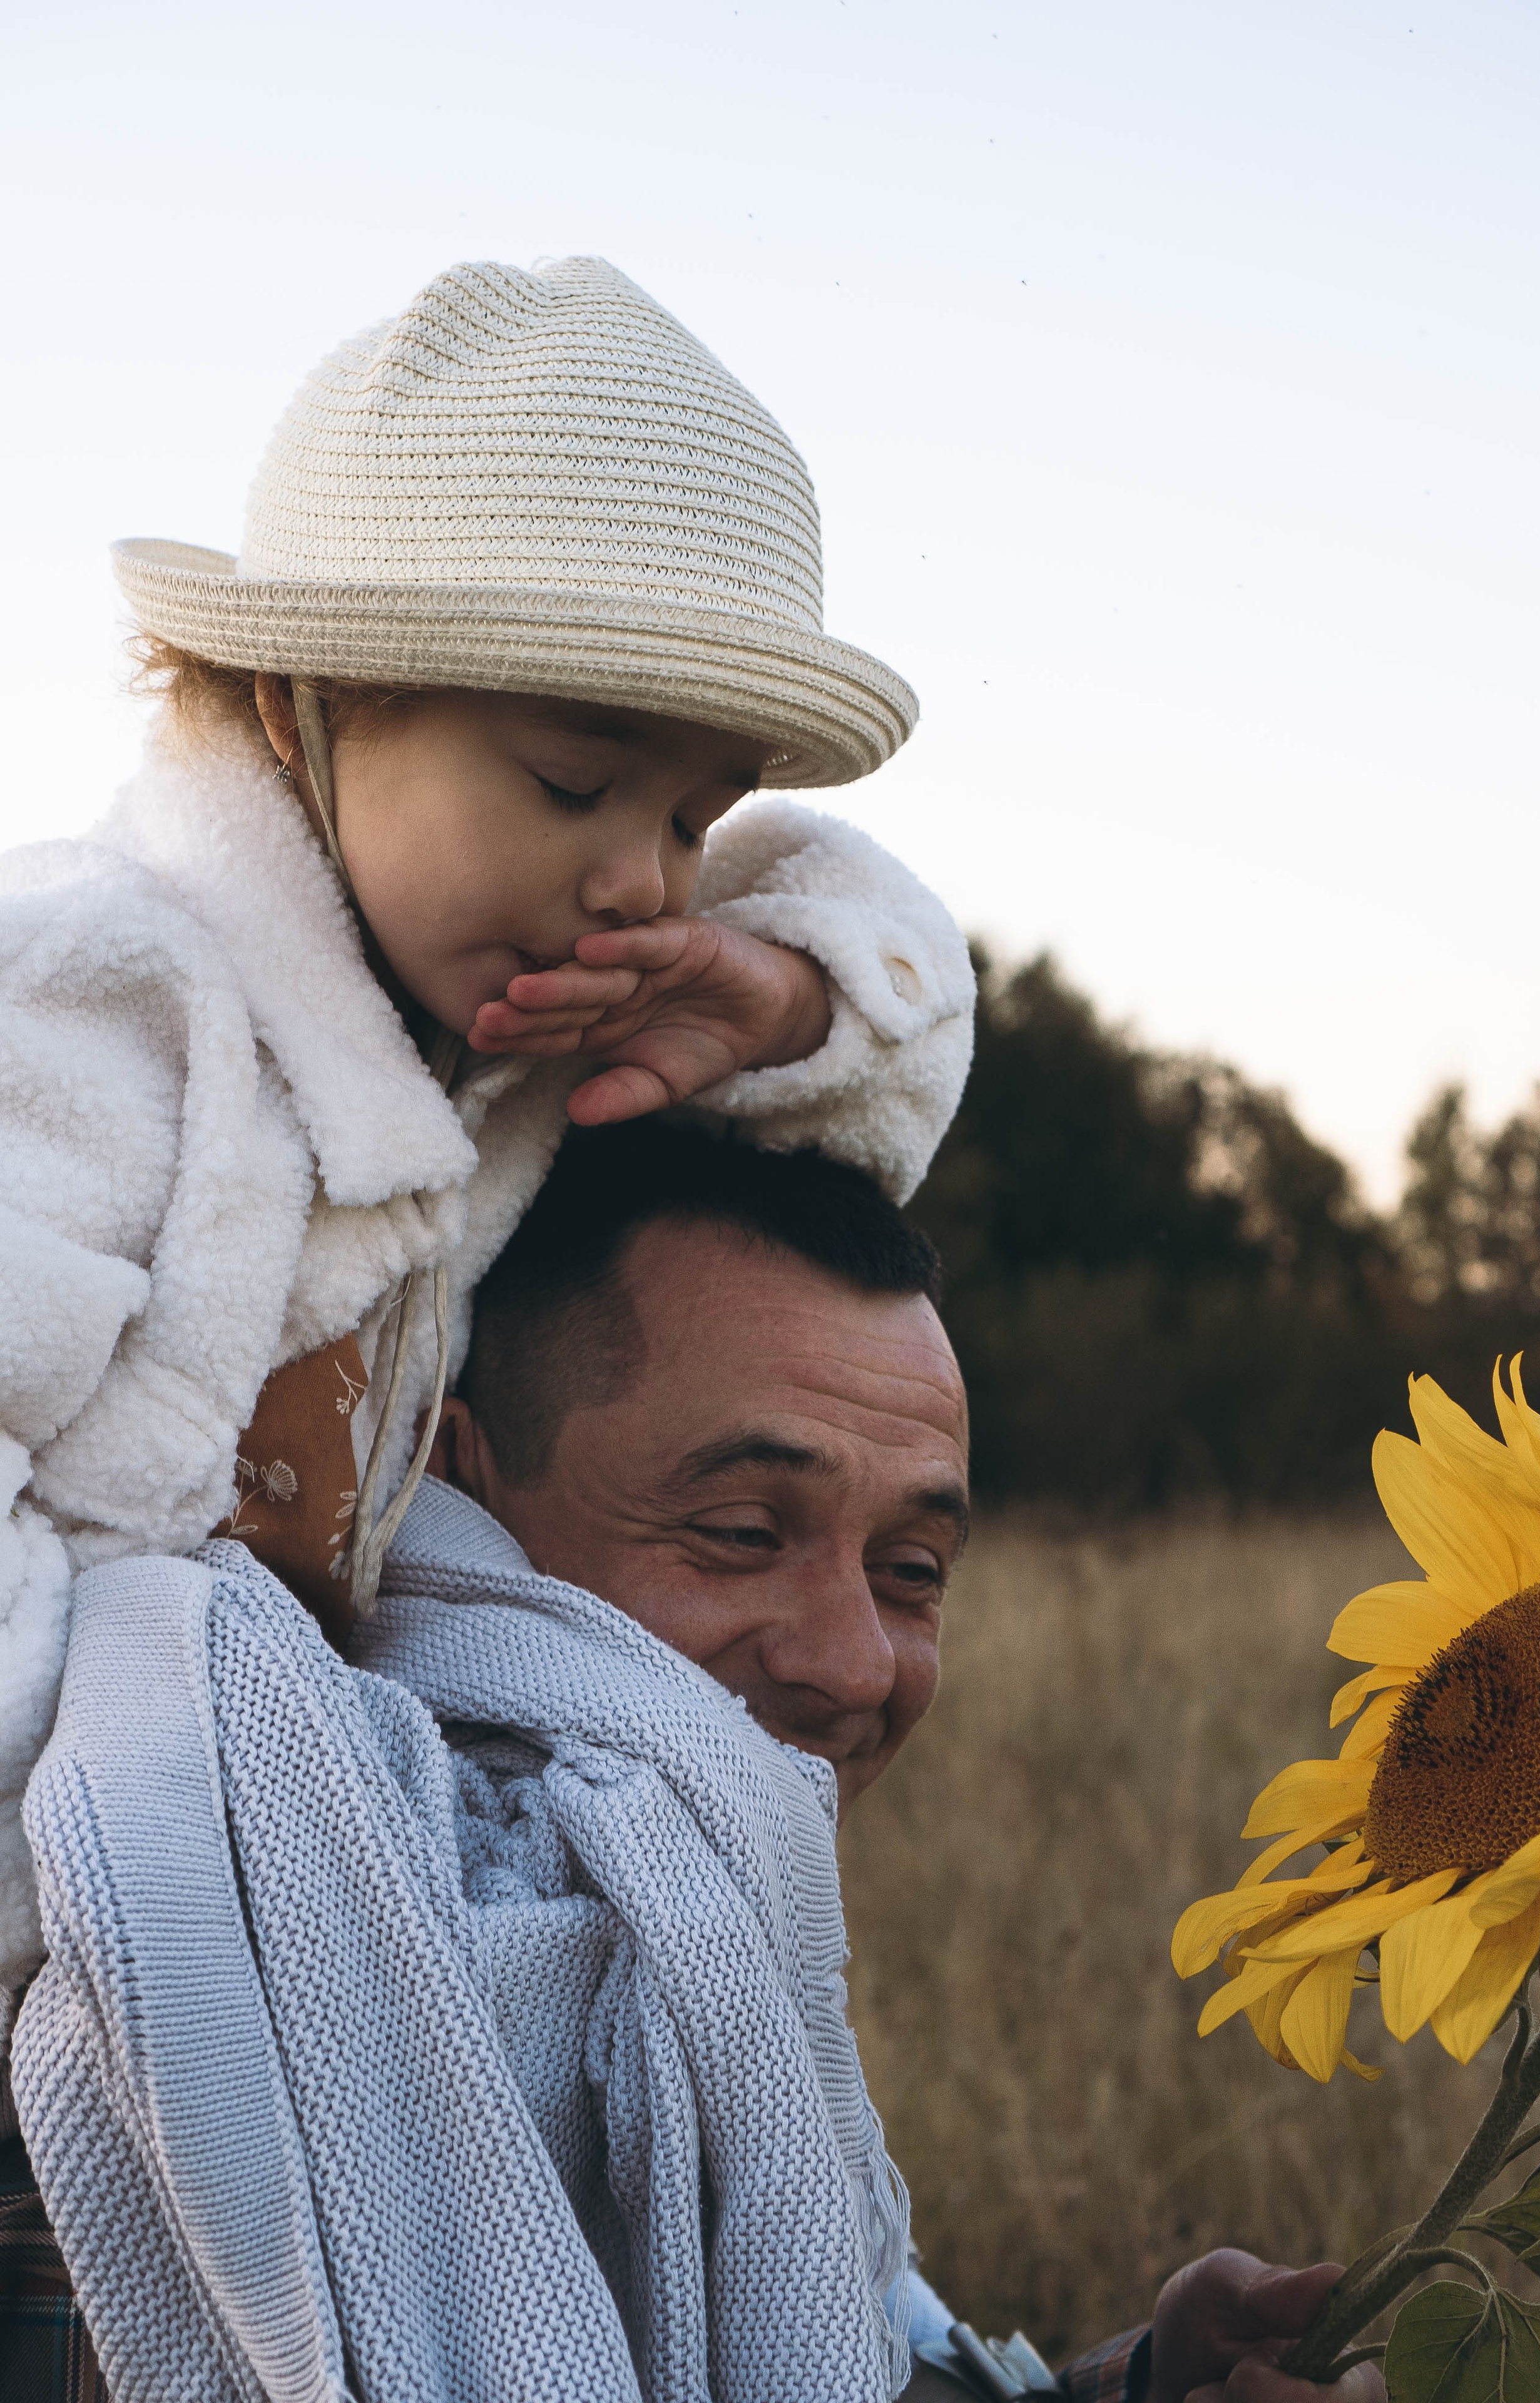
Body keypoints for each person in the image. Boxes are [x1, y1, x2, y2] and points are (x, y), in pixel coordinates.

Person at [0, 251, 977, 2040]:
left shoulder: (502, 1058)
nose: (641, 877)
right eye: (570, 782)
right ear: (315, 704)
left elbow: (882, 1091)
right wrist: (83, 1850)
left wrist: (780, 1001)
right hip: (70, 1912)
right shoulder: (104, 1003)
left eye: (695, 814)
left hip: (234, 1967)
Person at [402, 1123, 1389, 2403]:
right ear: (448, 1506)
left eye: (909, 1573)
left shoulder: (737, 2016)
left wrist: (1131, 2389)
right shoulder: (229, 2028)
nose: (855, 1667)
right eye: (741, 1531)